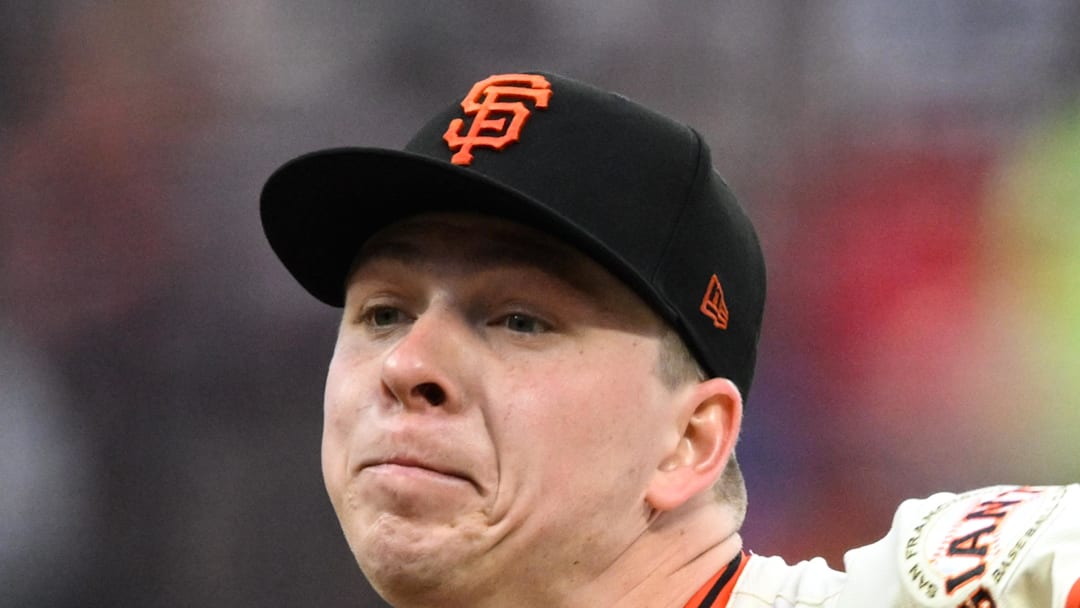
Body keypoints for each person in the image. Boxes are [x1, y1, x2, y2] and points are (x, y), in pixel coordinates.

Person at [260, 71, 1080, 607]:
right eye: (383, 313)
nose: (407, 366)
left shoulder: (939, 586)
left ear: (690, 440)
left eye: (519, 319)